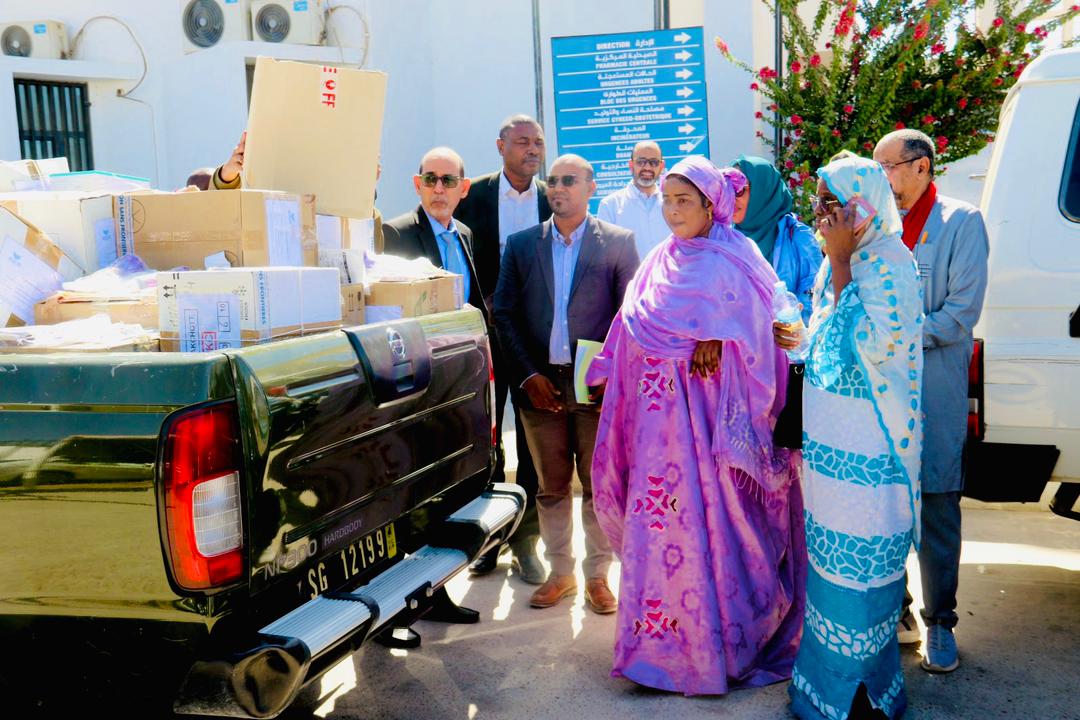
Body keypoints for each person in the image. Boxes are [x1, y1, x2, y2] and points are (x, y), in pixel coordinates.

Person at [585, 156, 805, 695]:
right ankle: (653, 653)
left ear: (712, 206)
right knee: (660, 531)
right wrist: (607, 367)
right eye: (667, 200)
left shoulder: (739, 255)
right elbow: (630, 322)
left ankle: (723, 650)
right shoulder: (659, 260)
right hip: (657, 435)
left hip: (712, 435)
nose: (672, 210)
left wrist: (720, 334)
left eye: (684, 200)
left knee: (718, 531)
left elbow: (773, 325)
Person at [777, 153, 924, 720]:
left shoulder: (891, 263)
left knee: (862, 566)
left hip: (872, 447)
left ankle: (862, 695)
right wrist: (799, 332)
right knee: (829, 563)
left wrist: (840, 263)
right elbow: (824, 341)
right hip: (830, 451)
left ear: (863, 207)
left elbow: (870, 347)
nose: (822, 215)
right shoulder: (834, 263)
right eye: (818, 204)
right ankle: (823, 687)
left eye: (832, 205)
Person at [493, 154, 639, 612]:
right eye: (552, 180)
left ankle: (597, 576)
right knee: (551, 486)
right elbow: (504, 314)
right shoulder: (522, 245)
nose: (557, 188)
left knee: (598, 486)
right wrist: (528, 375)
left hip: (595, 388)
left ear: (591, 187)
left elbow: (631, 316)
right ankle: (561, 574)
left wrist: (610, 373)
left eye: (568, 180)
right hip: (541, 388)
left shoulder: (618, 242)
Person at [873, 129, 989, 673]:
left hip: (935, 391)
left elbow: (960, 313)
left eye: (888, 166)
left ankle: (940, 621)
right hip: (882, 391)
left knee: (938, 506)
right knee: (884, 504)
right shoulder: (878, 226)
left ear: (921, 166)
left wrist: (896, 336)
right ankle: (896, 610)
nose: (882, 178)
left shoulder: (961, 222)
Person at [455, 114, 551, 583]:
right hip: (486, 337)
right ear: (500, 146)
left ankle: (526, 541)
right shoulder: (472, 196)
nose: (532, 150)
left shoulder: (553, 198)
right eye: (522, 142)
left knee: (532, 443)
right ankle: (489, 539)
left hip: (534, 340)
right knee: (486, 439)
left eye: (538, 142)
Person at [209, 130, 386, 253]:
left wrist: (363, 189)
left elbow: (370, 255)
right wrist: (227, 174)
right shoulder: (268, 192)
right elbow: (217, 225)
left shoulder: (357, 212)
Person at [382, 147, 485, 317]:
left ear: (464, 188)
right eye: (429, 179)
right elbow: (391, 309)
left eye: (448, 181)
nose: (438, 189)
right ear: (418, 185)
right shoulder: (397, 234)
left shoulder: (465, 234)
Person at [732, 154, 822, 324]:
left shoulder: (797, 236)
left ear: (763, 190)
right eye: (727, 188)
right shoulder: (725, 240)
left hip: (787, 338)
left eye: (739, 189)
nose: (731, 197)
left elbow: (815, 299)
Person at [597, 140, 669, 259]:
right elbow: (604, 255)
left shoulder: (672, 204)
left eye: (654, 162)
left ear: (661, 166)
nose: (647, 167)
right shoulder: (610, 206)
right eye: (641, 162)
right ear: (631, 165)